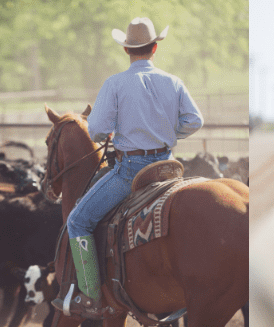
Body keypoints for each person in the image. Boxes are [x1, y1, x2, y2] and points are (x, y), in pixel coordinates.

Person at [56, 17, 203, 317]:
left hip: (130, 170)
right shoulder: (173, 81)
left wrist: (116, 131)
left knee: (77, 221)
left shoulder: (115, 83)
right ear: (155, 48)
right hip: (168, 165)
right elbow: (195, 121)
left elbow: (96, 129)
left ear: (126, 50)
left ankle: (91, 295)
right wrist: (167, 133)